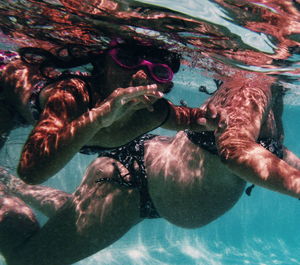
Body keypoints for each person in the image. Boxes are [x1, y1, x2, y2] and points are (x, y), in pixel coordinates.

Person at [1, 70, 300, 265]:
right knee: (26, 261)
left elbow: (266, 151)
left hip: (152, 184)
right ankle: (4, 196)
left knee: (73, 218)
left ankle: (14, 187)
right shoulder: (251, 85)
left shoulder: (271, 90)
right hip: (130, 184)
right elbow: (236, 152)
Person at [0, 40, 213, 185]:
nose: (139, 76)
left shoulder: (153, 113)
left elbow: (193, 118)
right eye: (127, 59)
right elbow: (30, 172)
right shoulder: (71, 94)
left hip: (21, 110)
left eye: (158, 72)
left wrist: (217, 120)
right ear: (104, 62)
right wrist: (97, 118)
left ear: (164, 89)